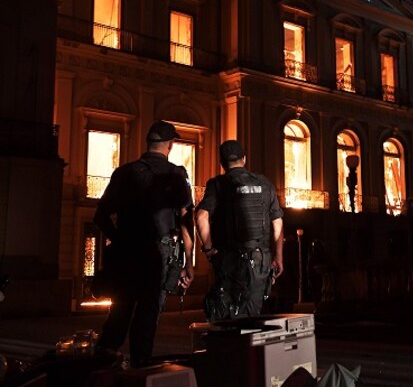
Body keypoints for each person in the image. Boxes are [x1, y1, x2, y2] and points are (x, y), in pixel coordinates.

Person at [94, 120, 194, 367]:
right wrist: (188, 262)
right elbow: (186, 221)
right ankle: (141, 369)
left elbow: (101, 216)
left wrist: (119, 241)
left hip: (126, 255)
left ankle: (101, 370)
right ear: (170, 145)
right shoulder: (176, 175)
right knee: (147, 319)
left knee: (118, 313)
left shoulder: (125, 173)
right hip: (158, 256)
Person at [195, 140, 284, 321]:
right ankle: (246, 347)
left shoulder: (218, 184)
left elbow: (201, 216)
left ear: (222, 163)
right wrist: (278, 257)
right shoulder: (264, 184)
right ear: (244, 158)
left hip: (229, 259)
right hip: (259, 260)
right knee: (251, 315)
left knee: (224, 313)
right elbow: (277, 221)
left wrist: (209, 249)